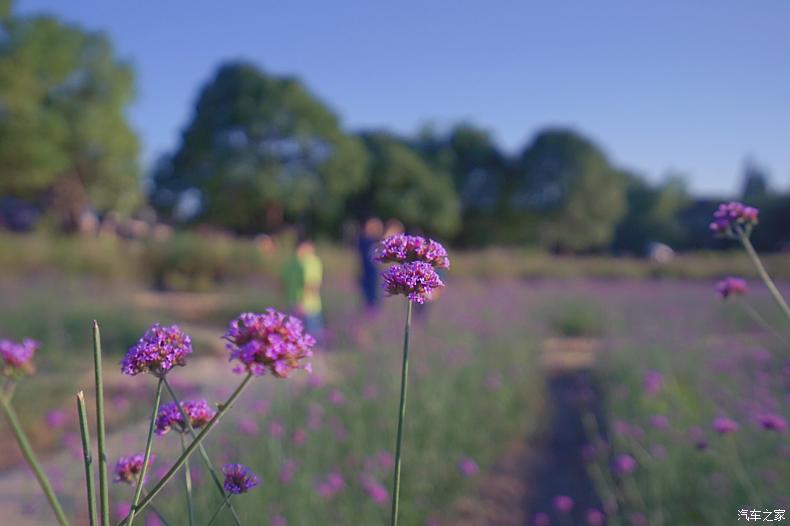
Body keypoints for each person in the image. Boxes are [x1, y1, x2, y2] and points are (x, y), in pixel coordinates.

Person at [282, 235, 324, 338]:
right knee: (311, 336)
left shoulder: (293, 262)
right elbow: (312, 284)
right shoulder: (310, 261)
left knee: (297, 335)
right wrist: (302, 303)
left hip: (298, 302)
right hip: (308, 304)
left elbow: (283, 283)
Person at [357, 218, 383, 314]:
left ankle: (372, 313)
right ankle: (370, 314)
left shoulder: (371, 240)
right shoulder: (364, 240)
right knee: (369, 298)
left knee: (374, 297)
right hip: (366, 273)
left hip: (373, 274)